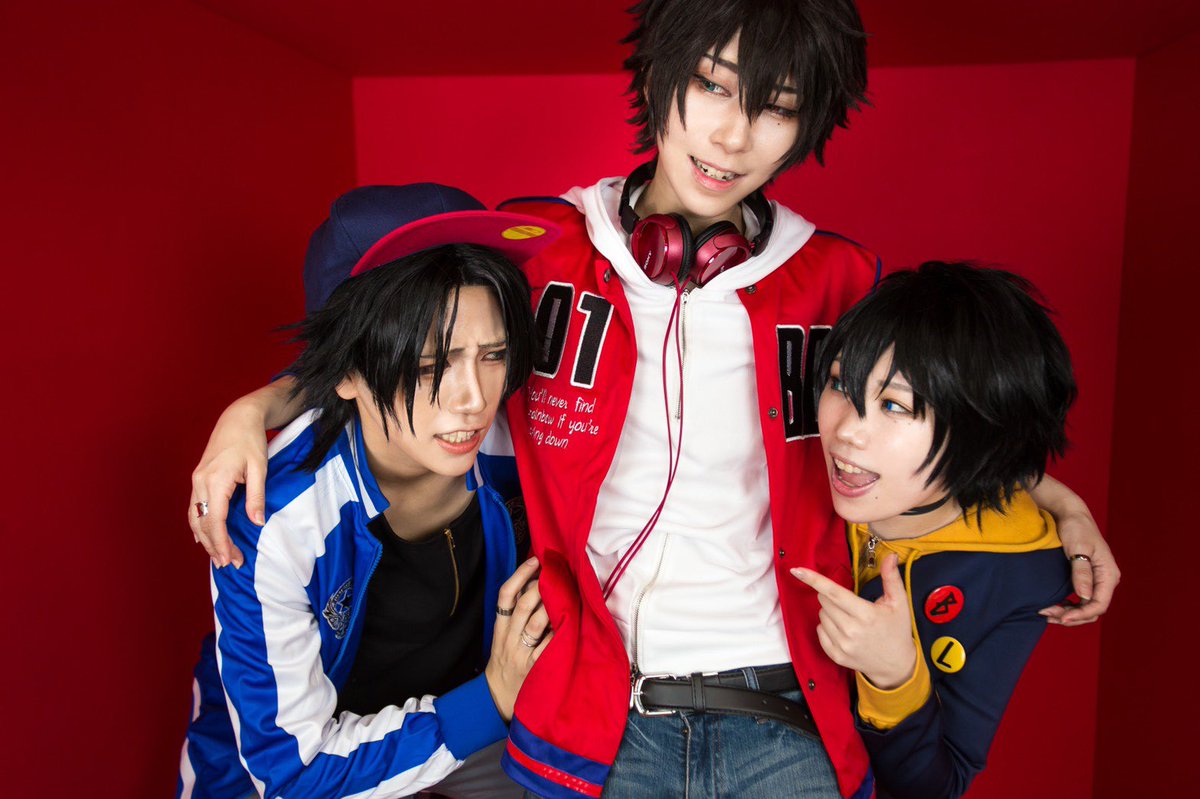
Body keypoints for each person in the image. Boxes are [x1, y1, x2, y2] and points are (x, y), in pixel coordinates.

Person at [186, 2, 1119, 797]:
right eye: (712, 84)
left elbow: (933, 413)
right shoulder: (539, 250)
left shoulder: (840, 281)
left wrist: (1057, 499)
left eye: (776, 108)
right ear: (661, 74)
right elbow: (398, 336)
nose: (732, 136)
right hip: (597, 713)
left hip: (786, 715)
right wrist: (257, 408)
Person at [176, 184, 562, 799]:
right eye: (431, 366)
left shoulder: (524, 440)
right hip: (300, 766)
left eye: (493, 355)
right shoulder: (272, 518)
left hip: (472, 723)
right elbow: (294, 775)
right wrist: (490, 700)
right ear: (346, 372)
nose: (473, 399)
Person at [792, 262, 1078, 798]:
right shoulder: (794, 463)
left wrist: (894, 676)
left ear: (981, 429)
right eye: (839, 384)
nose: (847, 431)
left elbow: (937, 786)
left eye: (894, 405)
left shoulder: (1021, 574)